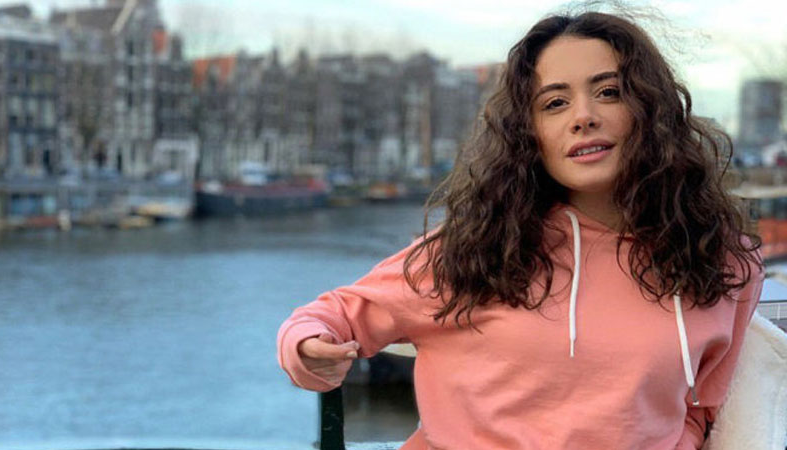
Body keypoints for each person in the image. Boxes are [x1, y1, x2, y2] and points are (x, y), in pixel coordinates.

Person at [277, 9, 764, 450]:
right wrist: (308, 350)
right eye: (555, 103)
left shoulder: (724, 262)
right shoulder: (479, 249)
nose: (583, 117)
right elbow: (333, 316)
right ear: (529, 134)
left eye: (609, 92)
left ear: (652, 110)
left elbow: (702, 409)